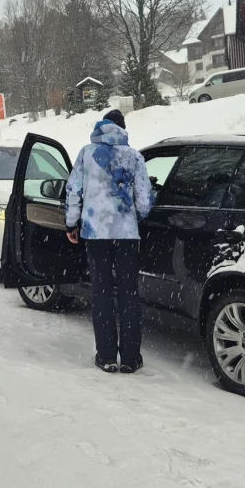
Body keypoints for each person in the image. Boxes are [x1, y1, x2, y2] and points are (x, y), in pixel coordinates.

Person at [64, 109, 154, 374]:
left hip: (95, 234)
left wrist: (72, 223)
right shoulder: (134, 156)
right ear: (123, 128)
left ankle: (106, 357)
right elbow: (145, 202)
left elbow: (73, 192)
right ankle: (130, 358)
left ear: (101, 127)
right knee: (128, 294)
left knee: (101, 294)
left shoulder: (86, 154)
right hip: (126, 235)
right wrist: (132, 215)